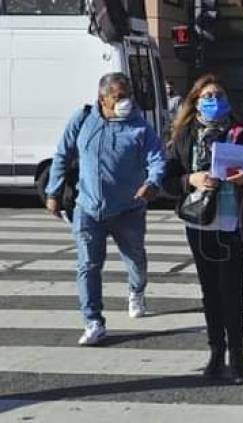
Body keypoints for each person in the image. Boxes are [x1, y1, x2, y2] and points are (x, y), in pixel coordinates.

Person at [45, 72, 166, 346]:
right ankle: (93, 321)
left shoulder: (140, 127)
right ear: (103, 98)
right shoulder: (83, 119)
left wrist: (152, 182)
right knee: (88, 265)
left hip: (129, 210)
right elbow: (63, 154)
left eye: (128, 96)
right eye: (119, 97)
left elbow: (157, 158)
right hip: (88, 208)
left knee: (135, 260)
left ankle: (137, 291)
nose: (125, 102)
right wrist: (53, 191)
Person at [163, 74, 243, 384]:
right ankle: (216, 353)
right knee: (210, 291)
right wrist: (189, 180)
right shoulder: (185, 135)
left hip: (235, 222)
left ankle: (238, 357)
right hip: (200, 221)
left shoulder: (242, 132)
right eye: (207, 96)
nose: (214, 100)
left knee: (233, 290)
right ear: (195, 101)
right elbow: (167, 178)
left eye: (218, 95)